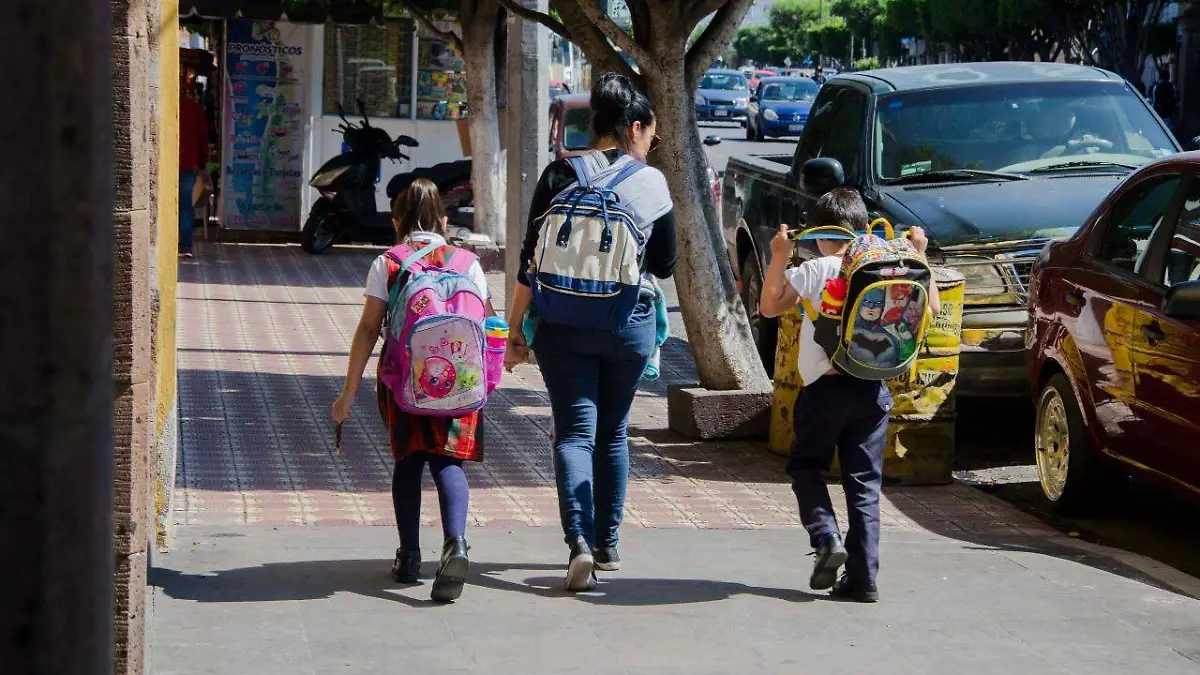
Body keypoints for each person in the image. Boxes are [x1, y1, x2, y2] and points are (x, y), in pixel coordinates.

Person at [504, 73, 677, 592]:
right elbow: (665, 265)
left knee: (575, 432)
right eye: (652, 134)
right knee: (613, 431)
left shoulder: (560, 174)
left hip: (562, 326)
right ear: (636, 127)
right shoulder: (651, 182)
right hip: (629, 324)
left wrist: (513, 331)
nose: (652, 143)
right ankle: (608, 542)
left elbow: (528, 264)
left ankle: (578, 542)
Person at [758, 188, 939, 603]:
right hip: (874, 388)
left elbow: (769, 306)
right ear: (859, 229)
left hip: (824, 388)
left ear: (821, 234)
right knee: (864, 484)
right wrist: (921, 254)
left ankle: (825, 539)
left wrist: (781, 255)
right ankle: (864, 579)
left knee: (806, 468)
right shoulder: (892, 266)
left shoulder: (819, 266)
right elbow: (930, 309)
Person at [332, 178, 493, 603]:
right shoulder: (468, 262)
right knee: (448, 463)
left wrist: (348, 391)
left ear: (396, 221)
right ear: (443, 219)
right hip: (460, 382)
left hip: (402, 380)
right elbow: (487, 325)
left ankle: (409, 557)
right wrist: (493, 374)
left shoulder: (389, 262)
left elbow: (369, 328)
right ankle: (456, 543)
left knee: (408, 463)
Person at [179, 75, 209, 258]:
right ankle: (185, 246)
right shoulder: (193, 108)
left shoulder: (164, 104)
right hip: (188, 163)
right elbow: (203, 138)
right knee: (185, 207)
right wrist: (203, 163)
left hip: (169, 163)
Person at [1150, 66, 1177, 133]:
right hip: (1169, 115)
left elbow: (1154, 100)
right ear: (1168, 77)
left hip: (1159, 115)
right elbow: (1176, 100)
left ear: (1160, 77)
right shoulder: (1172, 86)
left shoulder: (1157, 86)